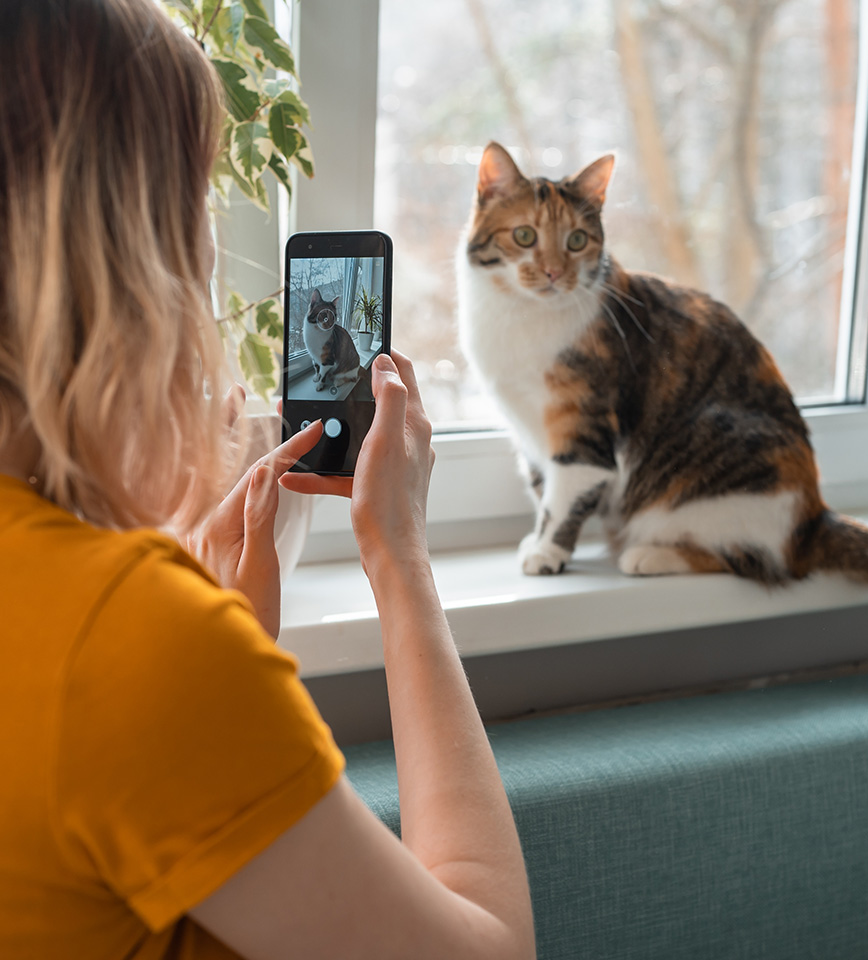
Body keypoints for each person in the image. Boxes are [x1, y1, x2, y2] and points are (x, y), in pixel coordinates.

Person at [0, 2, 536, 958]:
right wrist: (399, 557)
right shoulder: (130, 643)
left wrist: (211, 628)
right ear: (126, 257)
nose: (211, 251)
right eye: (197, 203)